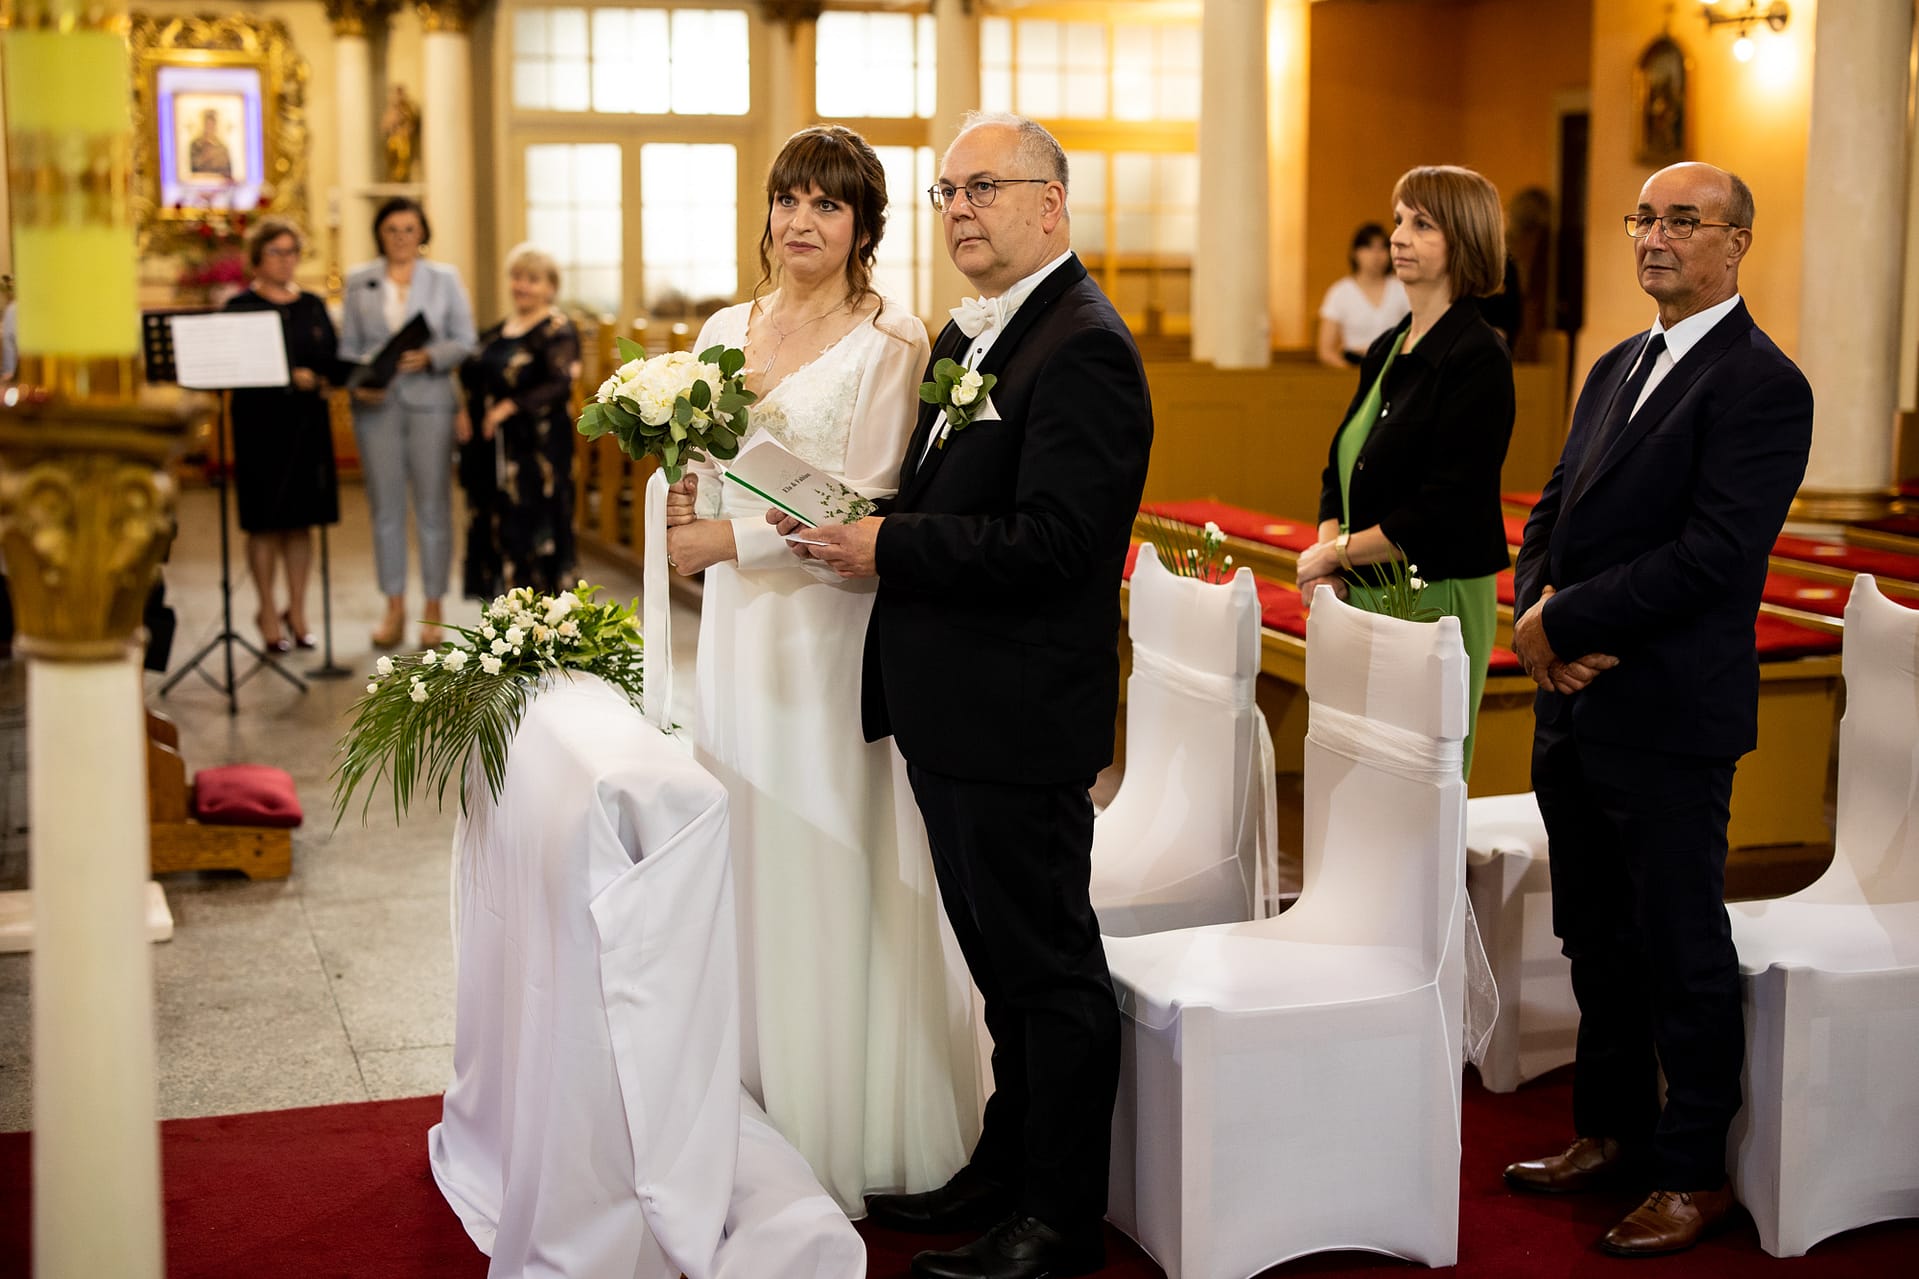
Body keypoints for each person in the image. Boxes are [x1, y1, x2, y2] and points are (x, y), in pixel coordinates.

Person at [800, 112, 1153, 1279]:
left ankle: (1058, 1219)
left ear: (1050, 205)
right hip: (953, 705)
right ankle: (1006, 1166)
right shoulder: (971, 329)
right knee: (1000, 967)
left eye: (982, 187)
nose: (957, 208)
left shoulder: (1083, 345)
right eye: (946, 191)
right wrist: (863, 521)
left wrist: (889, 546)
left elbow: (1058, 543)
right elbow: (951, 493)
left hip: (1017, 715)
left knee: (1047, 969)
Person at [660, 124, 980, 1216]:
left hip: (830, 628)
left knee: (821, 838)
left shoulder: (892, 339)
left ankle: (844, 1118)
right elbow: (702, 468)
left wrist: (725, 540)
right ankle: (750, 1097)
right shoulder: (723, 327)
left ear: (863, 227)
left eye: (827, 205)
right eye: (788, 199)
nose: (801, 221)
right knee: (744, 837)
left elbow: (870, 504)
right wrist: (680, 501)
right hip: (736, 629)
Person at [1504, 163, 1813, 1257]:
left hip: (1669, 709)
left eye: (1684, 220)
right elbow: (1551, 508)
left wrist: (1568, 620)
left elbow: (1715, 556)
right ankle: (1610, 1130)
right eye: (1643, 217)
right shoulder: (1614, 364)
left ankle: (1690, 1171)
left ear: (1736, 243)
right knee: (1593, 935)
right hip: (1575, 706)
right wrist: (1535, 613)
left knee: (1679, 944)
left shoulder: (1761, 383)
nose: (1655, 236)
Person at [1295, 166, 1515, 778]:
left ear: (1464, 240)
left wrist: (1336, 552)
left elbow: (1446, 506)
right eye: (1398, 220)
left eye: (1422, 225)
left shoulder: (1478, 355)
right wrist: (1330, 563)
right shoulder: (1391, 345)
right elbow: (1340, 468)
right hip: (1365, 585)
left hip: (1435, 593)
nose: (1398, 237)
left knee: (1417, 782)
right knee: (1361, 775)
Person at [341, 196, 476, 648]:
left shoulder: (444, 279)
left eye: (409, 229)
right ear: (379, 234)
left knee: (434, 506)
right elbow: (348, 348)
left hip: (431, 403)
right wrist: (362, 378)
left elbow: (465, 340)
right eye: (392, 229)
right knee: (385, 508)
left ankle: (434, 606)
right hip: (376, 406)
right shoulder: (360, 280)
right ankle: (394, 606)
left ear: (422, 234)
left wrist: (431, 356)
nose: (400, 237)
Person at [222, 216, 342, 653]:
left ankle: (298, 610)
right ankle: (268, 611)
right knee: (266, 522)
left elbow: (331, 359)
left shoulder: (311, 304)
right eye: (276, 252)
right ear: (257, 258)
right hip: (260, 423)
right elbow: (234, 362)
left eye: (292, 251)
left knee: (300, 522)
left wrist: (323, 377)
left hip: (306, 422)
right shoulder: (240, 307)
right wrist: (287, 374)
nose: (286, 260)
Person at [457, 244, 580, 598]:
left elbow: (559, 383)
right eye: (517, 277)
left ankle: (539, 615)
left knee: (531, 528)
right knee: (498, 529)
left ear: (551, 287)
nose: (522, 286)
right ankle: (507, 614)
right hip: (493, 449)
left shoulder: (557, 328)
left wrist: (509, 407)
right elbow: (473, 371)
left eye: (532, 279)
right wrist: (464, 409)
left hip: (536, 450)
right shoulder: (501, 329)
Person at [1316, 222, 1410, 367]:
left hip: (1394, 366)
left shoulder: (1403, 289)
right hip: (1353, 364)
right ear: (1355, 253)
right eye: (1369, 247)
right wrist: (1347, 371)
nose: (1376, 255)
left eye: (1382, 248)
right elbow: (1326, 351)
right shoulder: (1340, 292)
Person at [188, 107, 232, 180]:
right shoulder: (195, 145)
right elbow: (193, 168)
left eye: (212, 124)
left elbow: (228, 171)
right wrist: (205, 157)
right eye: (207, 124)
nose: (209, 128)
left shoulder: (222, 147)